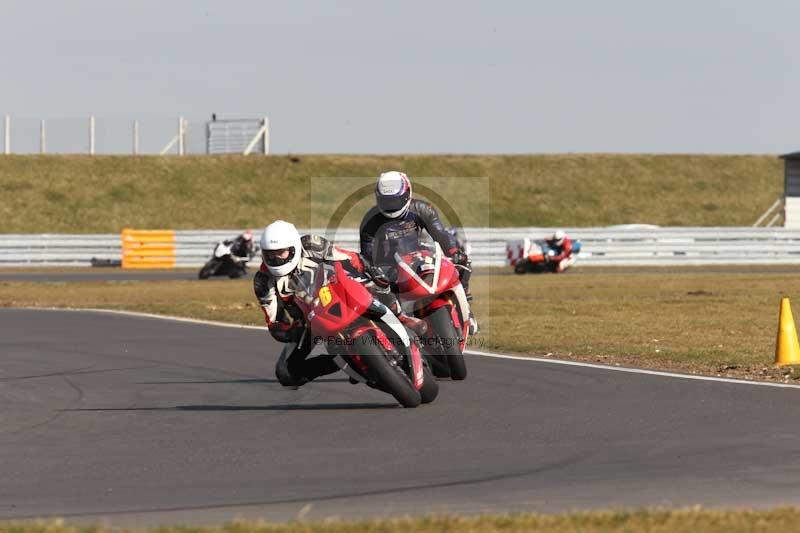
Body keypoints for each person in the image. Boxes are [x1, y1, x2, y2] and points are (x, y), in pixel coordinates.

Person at [253, 220, 427, 388]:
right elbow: (274, 321)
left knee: (381, 289)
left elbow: (350, 258)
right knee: (286, 373)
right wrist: (289, 332)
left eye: (280, 252)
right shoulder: (263, 280)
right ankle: (344, 363)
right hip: (309, 319)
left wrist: (372, 272)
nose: (275, 258)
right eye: (269, 254)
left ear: (293, 248)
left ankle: (402, 319)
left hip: (340, 289)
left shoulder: (312, 244)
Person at [359, 171, 476, 332]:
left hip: (419, 257)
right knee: (377, 292)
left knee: (463, 262)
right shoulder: (370, 220)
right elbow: (367, 254)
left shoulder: (422, 209)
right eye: (386, 200)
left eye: (396, 199)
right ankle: (398, 326)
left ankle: (467, 310)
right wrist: (374, 273)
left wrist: (454, 251)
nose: (391, 205)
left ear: (407, 194)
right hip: (389, 267)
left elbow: (441, 234)